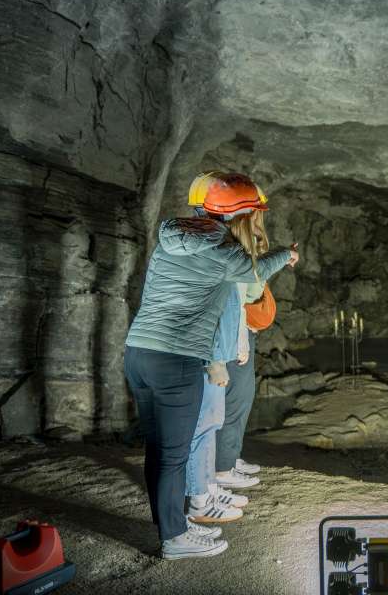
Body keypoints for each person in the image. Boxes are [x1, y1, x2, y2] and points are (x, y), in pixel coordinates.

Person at [124, 173, 299, 560]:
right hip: (177, 359)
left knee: (159, 450)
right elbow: (253, 273)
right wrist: (285, 254)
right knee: (174, 455)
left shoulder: (171, 234)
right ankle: (174, 538)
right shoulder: (223, 249)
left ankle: (174, 528)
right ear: (239, 214)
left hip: (138, 353)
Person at [183, 173, 257, 528]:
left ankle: (208, 488)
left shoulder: (199, 242)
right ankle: (200, 499)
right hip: (202, 350)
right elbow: (217, 303)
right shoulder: (212, 249)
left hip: (204, 347)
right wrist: (218, 356)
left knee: (209, 422)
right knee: (204, 423)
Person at [214, 199, 277, 487]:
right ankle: (223, 469)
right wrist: (240, 340)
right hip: (234, 331)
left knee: (242, 397)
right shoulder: (236, 249)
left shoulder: (238, 245)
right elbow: (241, 297)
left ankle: (230, 458)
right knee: (234, 399)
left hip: (240, 330)